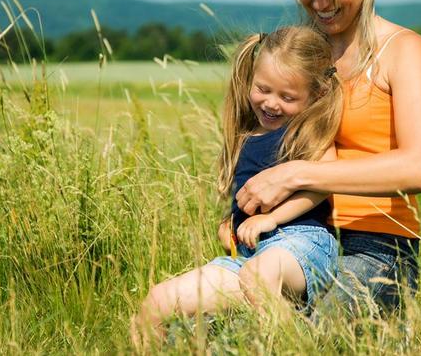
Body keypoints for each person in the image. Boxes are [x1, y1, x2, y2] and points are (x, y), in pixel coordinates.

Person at [235, 0, 421, 317]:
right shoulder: (299, 56)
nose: (321, 2)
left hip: (377, 248)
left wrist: (296, 174)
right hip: (289, 237)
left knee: (307, 337)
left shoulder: (403, 51)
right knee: (202, 330)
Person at [130, 26, 343, 349]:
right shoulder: (246, 134)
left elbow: (322, 185)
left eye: (287, 97)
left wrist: (271, 219)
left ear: (315, 95)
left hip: (302, 246)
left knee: (259, 277)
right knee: (156, 303)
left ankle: (298, 348)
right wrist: (233, 223)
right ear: (251, 80)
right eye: (263, 89)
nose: (271, 103)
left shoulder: (308, 132)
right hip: (248, 257)